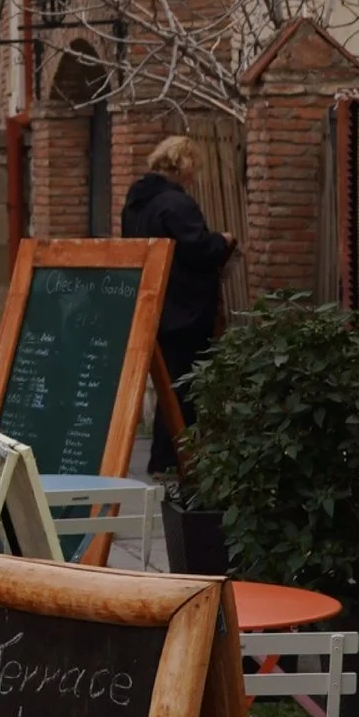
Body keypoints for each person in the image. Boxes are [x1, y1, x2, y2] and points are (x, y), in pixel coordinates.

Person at [121, 133, 235, 468]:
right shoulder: (176, 204)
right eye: (192, 169)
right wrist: (222, 240)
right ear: (183, 165)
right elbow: (197, 250)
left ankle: (166, 457)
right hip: (184, 308)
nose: (193, 177)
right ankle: (172, 459)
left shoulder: (136, 201)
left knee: (169, 385)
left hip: (153, 301)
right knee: (184, 385)